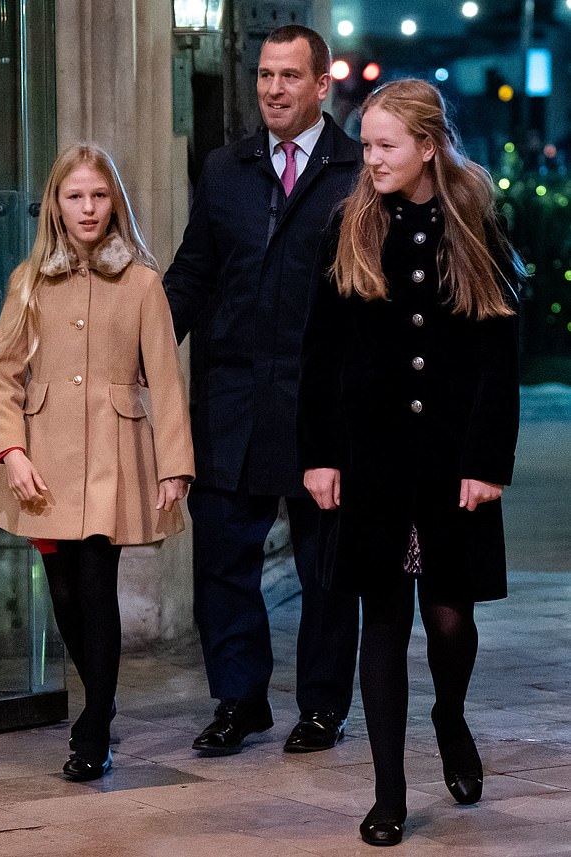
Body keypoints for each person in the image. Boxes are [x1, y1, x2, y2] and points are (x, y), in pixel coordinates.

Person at [297, 79, 523, 846]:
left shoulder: (475, 220)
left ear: (428, 145)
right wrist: (320, 456)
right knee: (384, 621)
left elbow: (500, 351)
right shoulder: (350, 224)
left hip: (455, 459)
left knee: (451, 619)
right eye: (365, 145)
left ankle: (450, 716)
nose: (373, 159)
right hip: (374, 460)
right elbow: (321, 350)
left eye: (386, 145)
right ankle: (388, 791)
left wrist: (488, 459)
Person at [164, 25, 362, 756]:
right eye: (264, 76)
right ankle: (240, 700)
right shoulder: (225, 169)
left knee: (325, 571)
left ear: (320, 84)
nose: (273, 89)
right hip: (231, 404)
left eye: (289, 76)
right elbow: (191, 275)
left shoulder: (355, 171)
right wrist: (140, 346)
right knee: (223, 561)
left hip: (321, 410)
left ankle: (322, 706)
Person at [0, 143, 195, 781]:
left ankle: (95, 723)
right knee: (66, 593)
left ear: (115, 203)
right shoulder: (28, 280)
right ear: (56, 204)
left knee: (96, 586)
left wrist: (174, 465)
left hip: (114, 455)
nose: (88, 208)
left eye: (99, 196)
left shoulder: (142, 282)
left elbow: (166, 379)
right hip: (43, 461)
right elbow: (1, 375)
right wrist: (10, 451)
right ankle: (97, 703)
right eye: (75, 196)